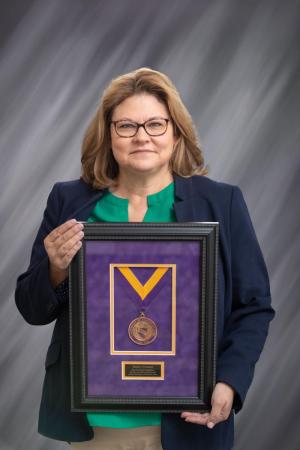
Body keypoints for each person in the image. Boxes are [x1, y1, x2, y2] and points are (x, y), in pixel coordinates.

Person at [15, 67, 274, 450]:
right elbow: (32, 309)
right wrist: (55, 268)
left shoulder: (221, 203)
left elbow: (253, 306)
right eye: (126, 126)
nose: (142, 137)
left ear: (175, 131)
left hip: (189, 420)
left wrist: (231, 380)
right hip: (96, 423)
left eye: (155, 124)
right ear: (108, 135)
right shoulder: (69, 201)